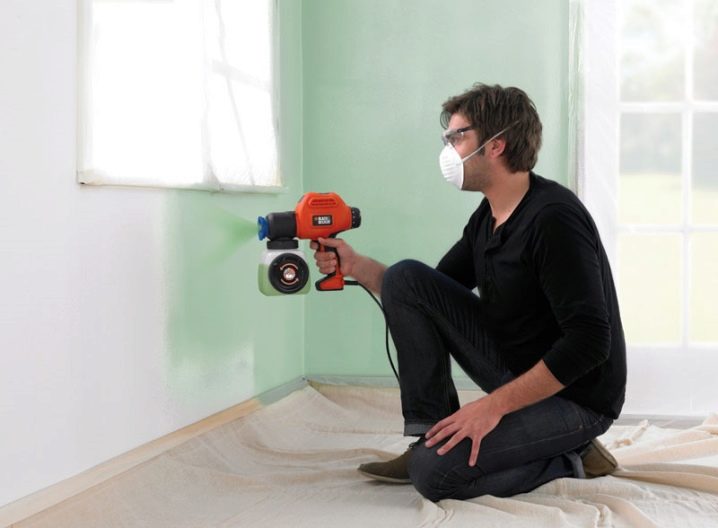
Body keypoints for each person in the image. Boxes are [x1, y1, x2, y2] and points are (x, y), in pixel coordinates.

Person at [310, 83, 626, 501]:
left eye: (457, 137)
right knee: (407, 277)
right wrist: (357, 266)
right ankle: (430, 435)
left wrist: (491, 406)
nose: (448, 150)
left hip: (577, 397)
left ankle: (573, 454)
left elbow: (590, 343)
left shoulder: (554, 219)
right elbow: (426, 295)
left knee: (433, 475)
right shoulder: (487, 217)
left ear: (496, 145)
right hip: (518, 366)